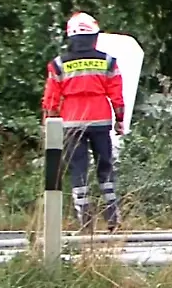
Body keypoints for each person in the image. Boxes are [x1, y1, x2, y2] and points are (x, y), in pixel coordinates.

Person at [41, 12, 125, 232]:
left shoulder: (58, 64)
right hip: (100, 118)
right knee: (104, 167)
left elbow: (51, 99)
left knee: (78, 169)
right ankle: (113, 217)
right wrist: (120, 120)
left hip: (72, 120)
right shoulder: (108, 61)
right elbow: (116, 93)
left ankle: (85, 221)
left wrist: (49, 122)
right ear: (93, 36)